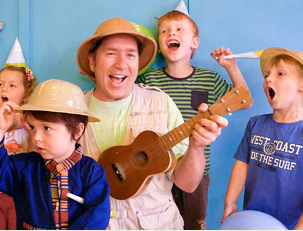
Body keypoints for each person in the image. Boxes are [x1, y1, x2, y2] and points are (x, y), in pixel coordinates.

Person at [77, 17, 228, 230]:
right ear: (92, 61)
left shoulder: (160, 102)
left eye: (130, 55)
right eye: (111, 53)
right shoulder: (73, 112)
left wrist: (197, 146)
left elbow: (187, 183)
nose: (121, 64)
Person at [136, 10, 251, 230]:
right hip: (153, 172)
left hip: (196, 172)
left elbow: (245, 101)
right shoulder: (149, 78)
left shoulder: (208, 79)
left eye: (179, 30)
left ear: (194, 42)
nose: (172, 33)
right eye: (165, 31)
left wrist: (231, 66)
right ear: (159, 45)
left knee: (193, 226)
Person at [0, 79, 111, 229]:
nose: (36, 137)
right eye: (32, 127)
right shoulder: (23, 166)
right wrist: (1, 130)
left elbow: (97, 218)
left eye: (46, 128)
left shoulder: (92, 172)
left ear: (77, 130)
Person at [221, 47, 303, 230]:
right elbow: (242, 164)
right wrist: (229, 202)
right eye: (266, 75)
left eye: (280, 74)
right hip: (251, 221)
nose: (269, 79)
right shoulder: (256, 124)